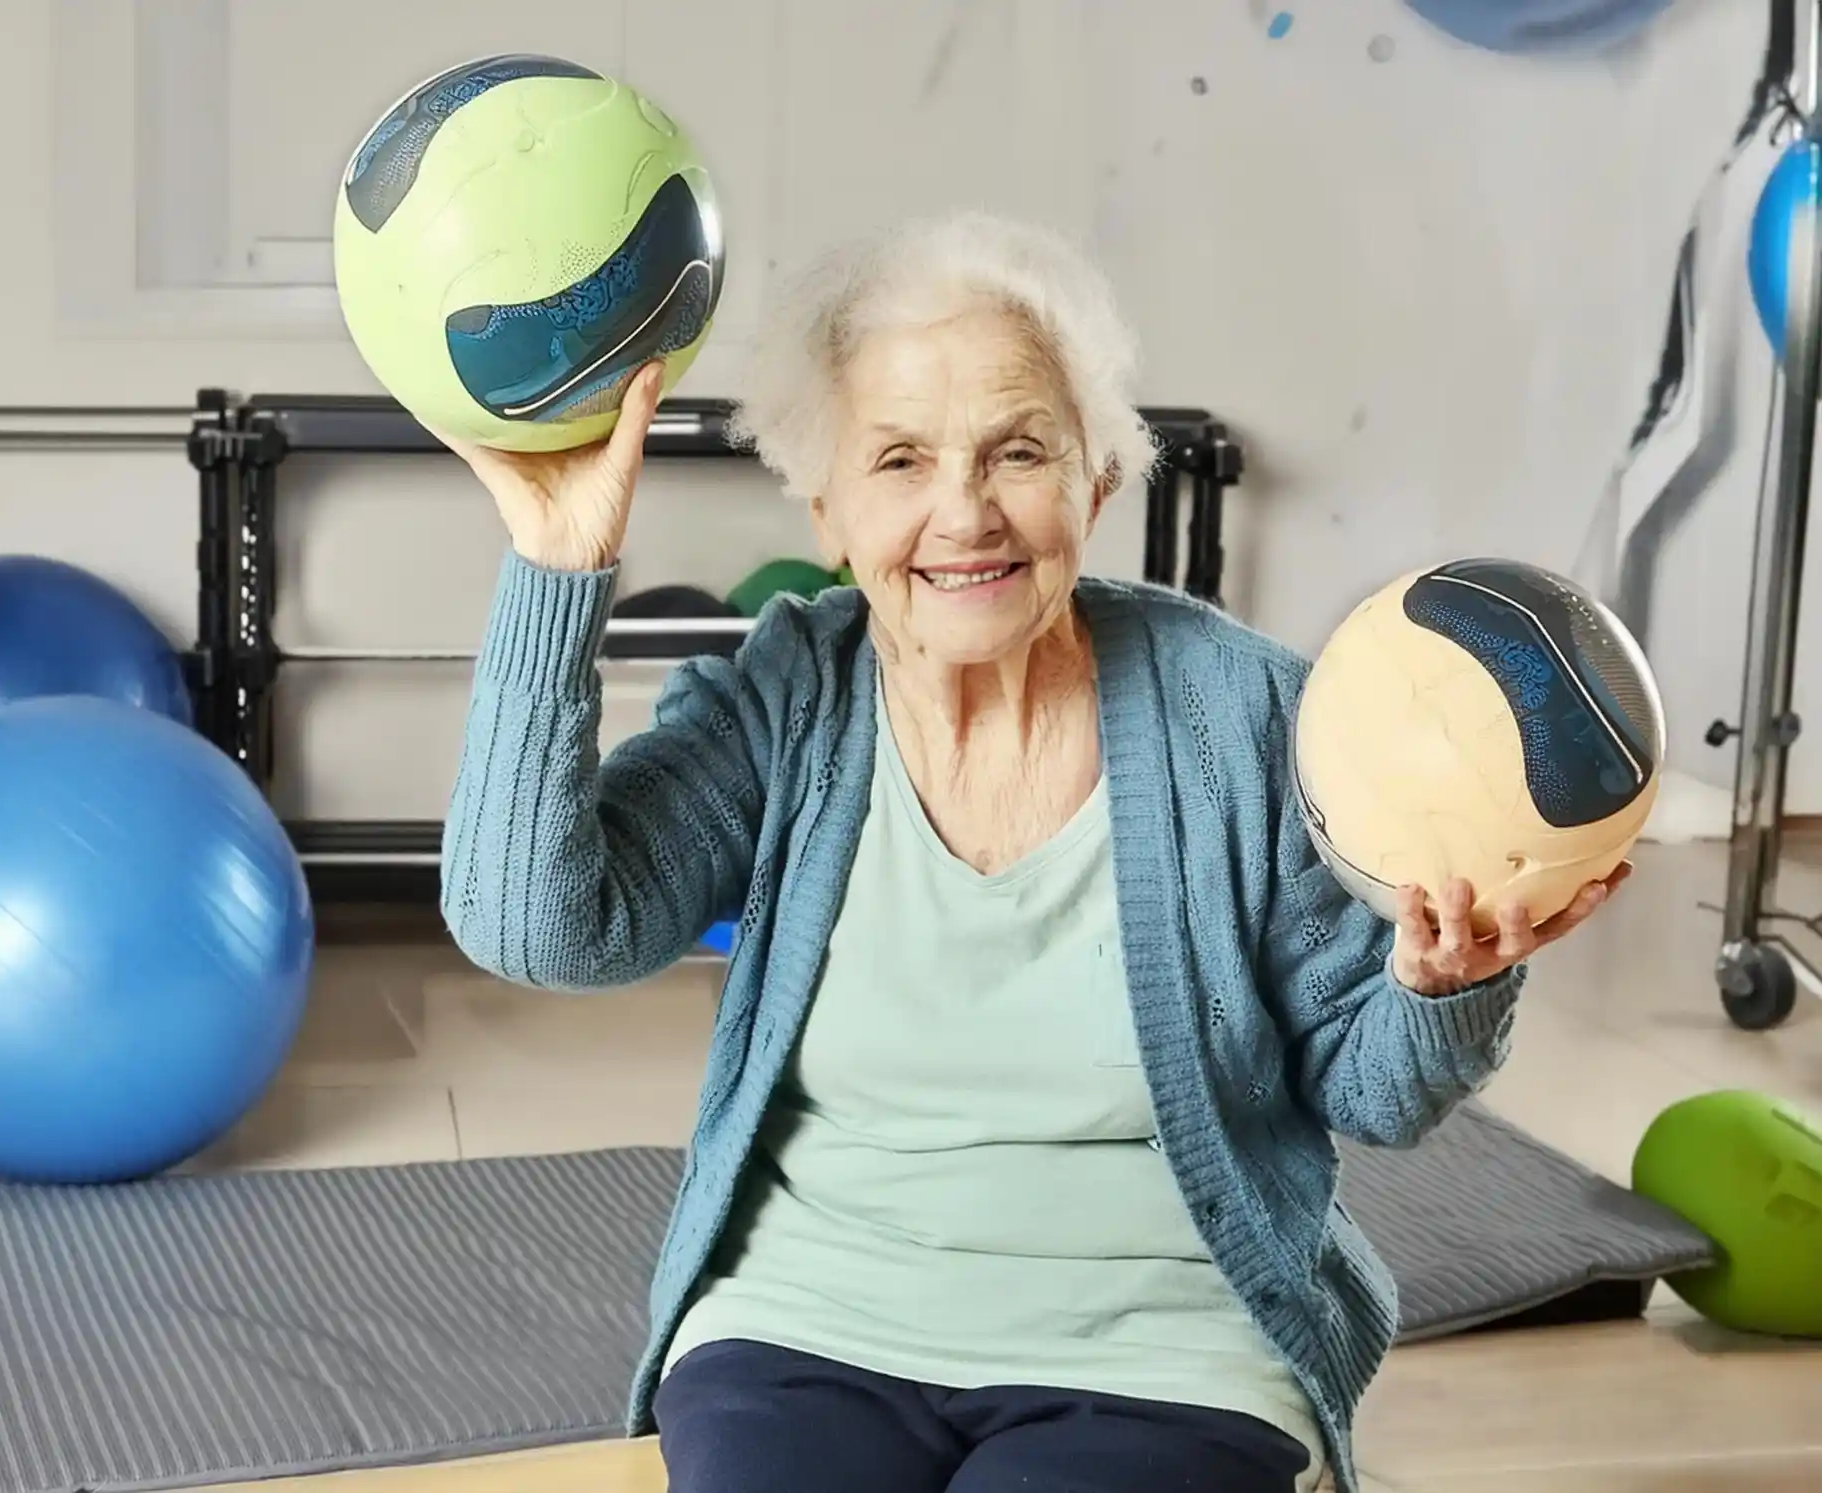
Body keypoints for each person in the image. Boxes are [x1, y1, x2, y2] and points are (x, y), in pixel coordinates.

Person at [437, 213, 1626, 1493]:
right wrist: (558, 568)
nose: (965, 512)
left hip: (1163, 1341)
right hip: (812, 1316)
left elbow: (1376, 1096)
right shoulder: (787, 694)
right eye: (900, 459)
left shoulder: (1250, 716)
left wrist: (1444, 986)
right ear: (826, 505)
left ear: (1096, 481)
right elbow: (538, 926)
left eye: (1019, 451)